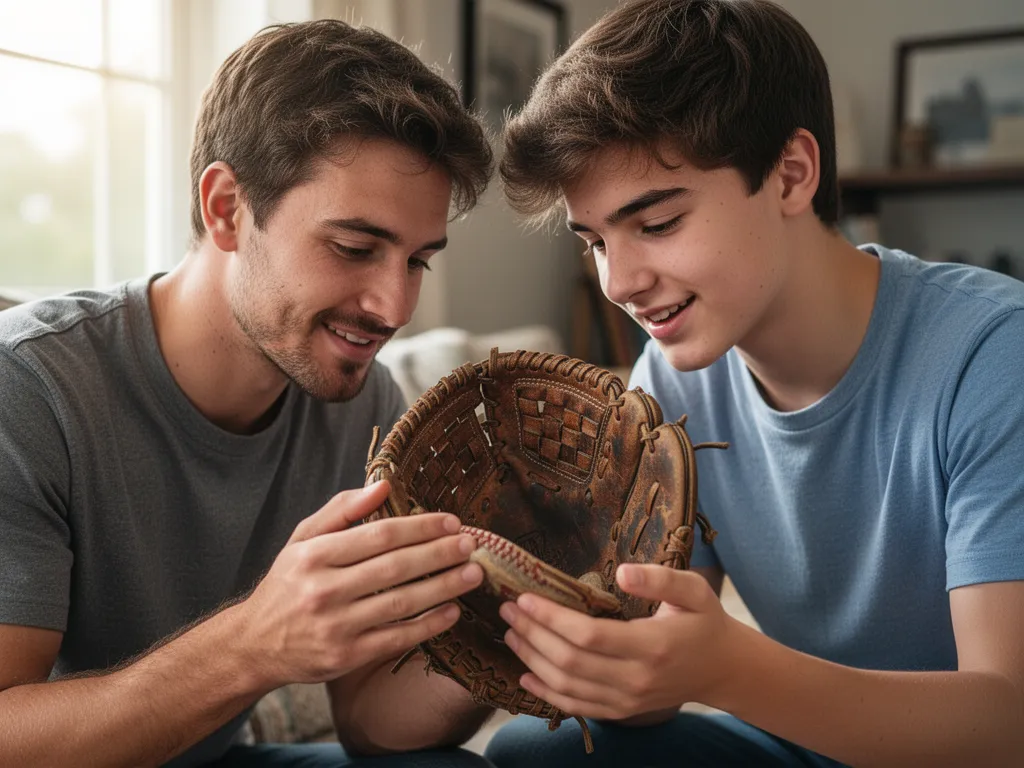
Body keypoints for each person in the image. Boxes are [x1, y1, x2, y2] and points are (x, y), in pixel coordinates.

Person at [483, 1, 1024, 765]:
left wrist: (731, 668)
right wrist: (587, 639)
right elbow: (659, 680)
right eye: (597, 241)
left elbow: (1009, 723)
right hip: (814, 743)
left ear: (791, 175)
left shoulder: (995, 355)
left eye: (657, 223)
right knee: (533, 755)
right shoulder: (668, 382)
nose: (621, 282)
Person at [0, 19, 499, 768]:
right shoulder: (30, 389)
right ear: (226, 207)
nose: (394, 308)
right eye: (355, 248)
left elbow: (368, 721)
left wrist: (507, 630)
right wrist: (255, 644)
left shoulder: (367, 406)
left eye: (417, 260)